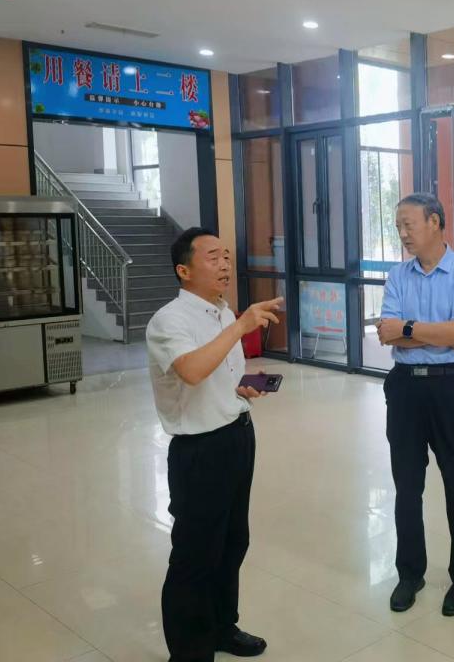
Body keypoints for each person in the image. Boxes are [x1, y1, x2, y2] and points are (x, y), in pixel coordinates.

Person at [146, 227, 282, 662]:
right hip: (199, 450)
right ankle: (189, 652)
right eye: (212, 257)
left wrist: (243, 388)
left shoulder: (222, 313)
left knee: (232, 541)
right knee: (196, 554)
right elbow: (190, 370)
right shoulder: (169, 320)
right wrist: (241, 325)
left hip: (237, 436)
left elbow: (221, 374)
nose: (224, 264)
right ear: (183, 270)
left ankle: (222, 627)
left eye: (226, 256)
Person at [376, 193, 454, 618]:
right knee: (407, 484)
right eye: (398, 227)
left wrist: (408, 329)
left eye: (409, 225)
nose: (403, 234)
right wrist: (441, 333)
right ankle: (410, 573)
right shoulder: (397, 275)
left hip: (451, 386)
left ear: (435, 222)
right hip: (405, 387)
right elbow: (387, 333)